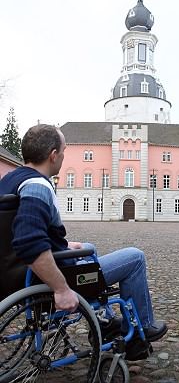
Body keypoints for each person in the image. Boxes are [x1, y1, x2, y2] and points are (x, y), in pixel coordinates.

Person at [0, 124, 168, 346]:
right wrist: (61, 289)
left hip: (12, 273)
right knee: (135, 257)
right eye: (63, 151)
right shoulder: (37, 186)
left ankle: (104, 320)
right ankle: (141, 329)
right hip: (44, 280)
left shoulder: (10, 180)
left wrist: (65, 245)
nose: (63, 156)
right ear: (53, 155)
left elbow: (14, 233)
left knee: (87, 247)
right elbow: (28, 242)